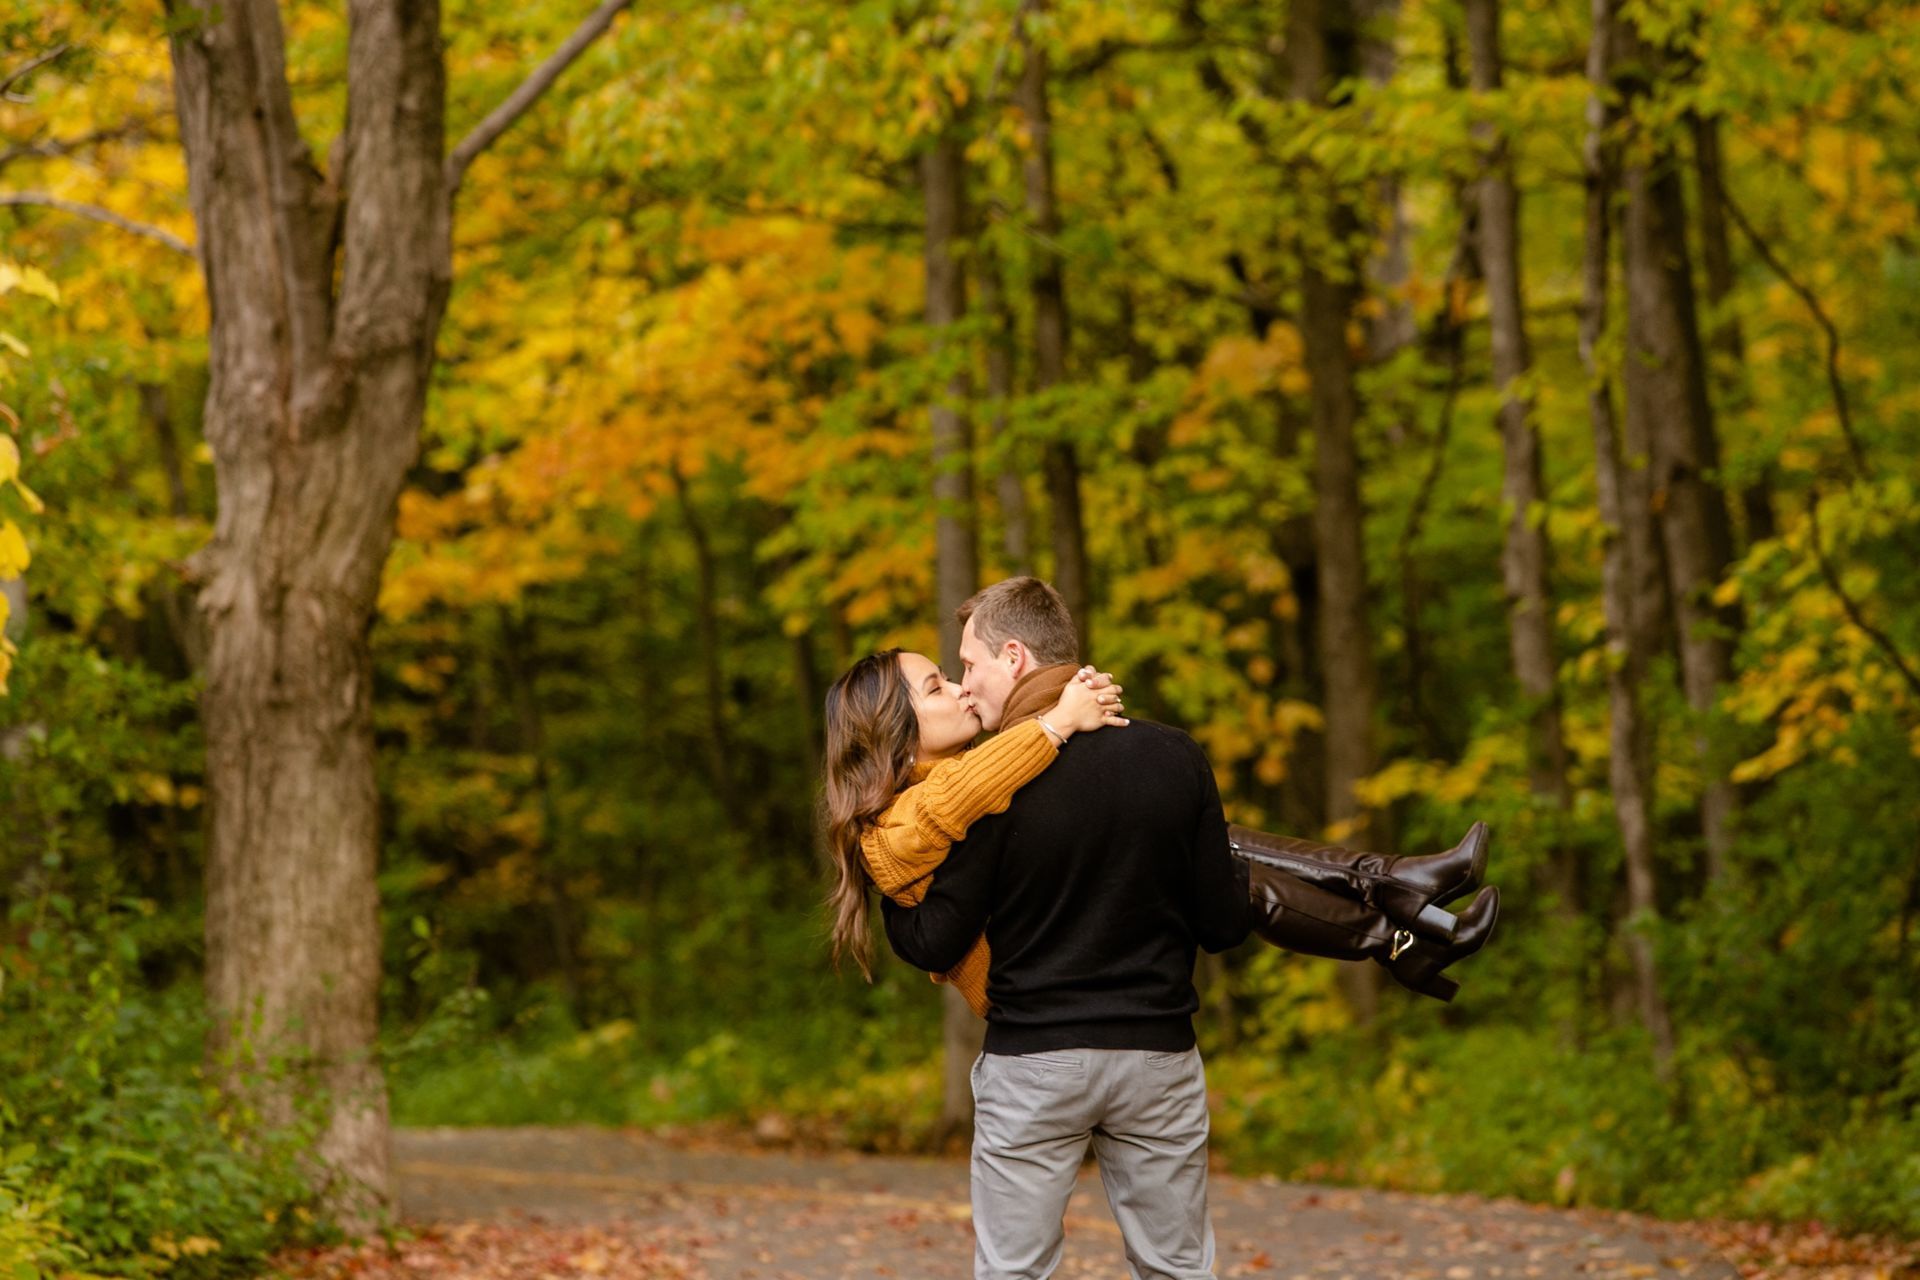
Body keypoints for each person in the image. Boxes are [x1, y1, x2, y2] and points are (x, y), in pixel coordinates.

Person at [830, 578, 1497, 1279]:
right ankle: (1395, 907)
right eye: (944, 681)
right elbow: (1221, 923)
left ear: (1015, 658)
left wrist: (903, 912)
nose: (964, 685)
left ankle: (1394, 904)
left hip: (1036, 1059)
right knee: (1177, 1269)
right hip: (1156, 1053)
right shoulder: (1169, 755)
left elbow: (937, 936)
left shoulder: (992, 794)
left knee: (1014, 1272)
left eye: (966, 666)